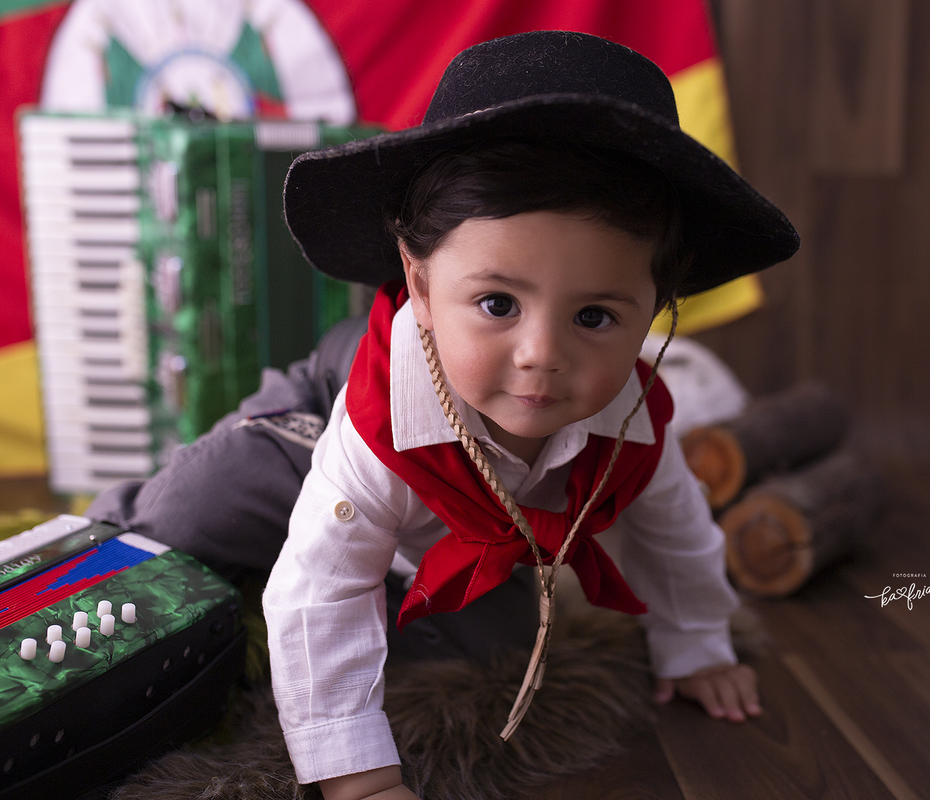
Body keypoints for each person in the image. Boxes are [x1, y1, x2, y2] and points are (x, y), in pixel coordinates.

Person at [264, 30, 799, 800]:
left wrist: (696, 646)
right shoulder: (376, 427)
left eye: (594, 317)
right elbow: (322, 586)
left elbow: (676, 532)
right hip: (299, 427)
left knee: (494, 641)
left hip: (451, 526)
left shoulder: (630, 425)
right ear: (417, 280)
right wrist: (359, 777)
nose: (540, 355)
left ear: (657, 307)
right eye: (497, 304)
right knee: (200, 511)